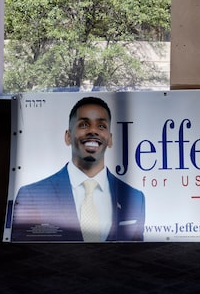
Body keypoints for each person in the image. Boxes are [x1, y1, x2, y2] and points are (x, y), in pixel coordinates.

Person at [10, 96, 145, 242]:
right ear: (68, 137)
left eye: (101, 126)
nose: (93, 131)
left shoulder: (135, 198)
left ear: (110, 139)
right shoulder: (32, 196)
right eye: (84, 124)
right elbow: (23, 254)